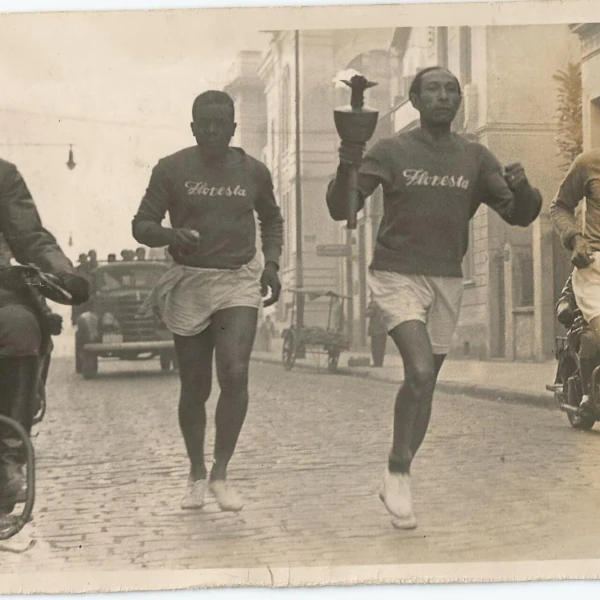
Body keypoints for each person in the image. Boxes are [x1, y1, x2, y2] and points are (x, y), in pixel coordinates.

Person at [326, 66, 542, 529]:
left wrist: (524, 188)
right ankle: (400, 469)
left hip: (446, 278)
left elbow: (519, 215)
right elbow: (339, 207)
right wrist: (349, 157)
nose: (443, 97)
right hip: (396, 273)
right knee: (420, 369)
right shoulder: (390, 150)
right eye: (433, 90)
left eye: (451, 90)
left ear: (458, 101)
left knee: (424, 385)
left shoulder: (476, 157)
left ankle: (395, 471)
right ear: (416, 100)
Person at [132, 90, 283, 513]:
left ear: (234, 128)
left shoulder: (254, 171)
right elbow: (142, 224)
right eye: (205, 123)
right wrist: (170, 236)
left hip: (238, 280)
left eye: (222, 123)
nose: (214, 130)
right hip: (191, 282)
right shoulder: (172, 169)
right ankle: (196, 472)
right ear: (193, 126)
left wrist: (271, 263)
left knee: (234, 373)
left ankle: (221, 473)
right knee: (195, 387)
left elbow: (271, 218)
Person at [0, 158, 89, 516]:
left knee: (20, 327)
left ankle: (9, 453)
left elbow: (30, 237)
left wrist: (62, 273)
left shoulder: (2, 175)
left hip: (2, 290)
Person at [550, 148, 600, 412]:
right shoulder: (589, 163)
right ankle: (590, 396)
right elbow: (559, 206)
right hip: (596, 268)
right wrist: (575, 239)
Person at [366, 299, 387, 367]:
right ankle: (380, 363)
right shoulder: (383, 303)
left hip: (376, 330)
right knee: (381, 347)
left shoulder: (374, 305)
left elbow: (367, 313)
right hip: (383, 329)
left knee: (375, 347)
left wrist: (368, 307)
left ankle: (377, 363)